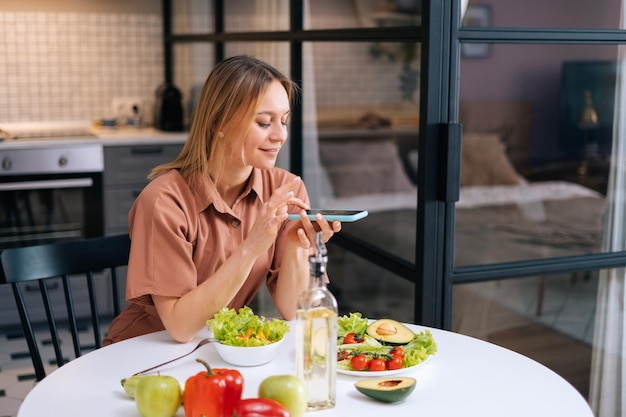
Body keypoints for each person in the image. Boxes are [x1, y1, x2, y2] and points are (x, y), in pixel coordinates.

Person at [103, 55, 341, 345]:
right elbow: (179, 327)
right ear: (219, 122)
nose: (280, 135)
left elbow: (292, 309)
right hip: (147, 350)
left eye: (284, 121)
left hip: (220, 348)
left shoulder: (286, 189)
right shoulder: (164, 201)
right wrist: (253, 245)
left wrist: (296, 245)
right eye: (264, 122)